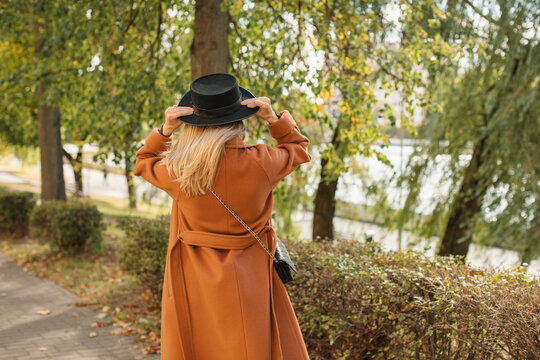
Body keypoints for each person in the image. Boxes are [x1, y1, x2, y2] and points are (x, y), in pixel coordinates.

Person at [133, 73, 311, 360]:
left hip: (195, 280)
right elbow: (298, 148)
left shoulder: (179, 171)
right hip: (252, 276)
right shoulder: (262, 162)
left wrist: (165, 130)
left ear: (194, 124)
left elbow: (143, 161)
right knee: (251, 345)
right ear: (239, 119)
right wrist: (273, 118)